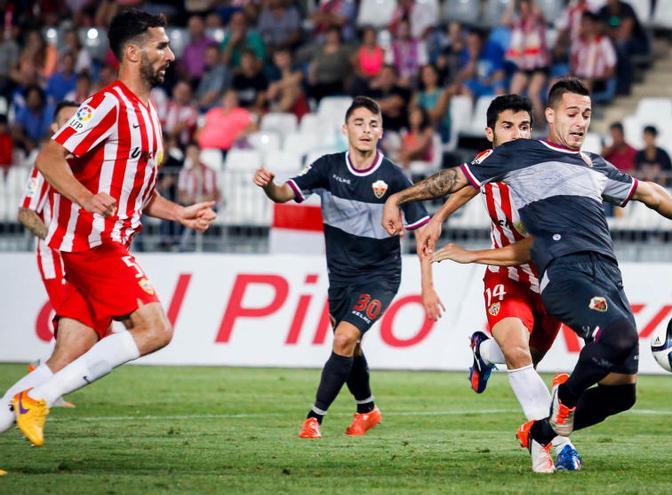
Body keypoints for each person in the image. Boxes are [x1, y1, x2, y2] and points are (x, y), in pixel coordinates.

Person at [382, 78, 672, 473]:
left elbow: (649, 193)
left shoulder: (593, 164)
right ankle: (564, 397)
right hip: (564, 269)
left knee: (621, 394)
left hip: (608, 274)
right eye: (572, 114)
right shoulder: (522, 154)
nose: (581, 122)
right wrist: (401, 198)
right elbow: (456, 179)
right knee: (616, 335)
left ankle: (542, 431)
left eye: (586, 115)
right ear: (550, 116)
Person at [10, 10, 217, 448]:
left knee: (67, 356)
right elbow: (49, 158)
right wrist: (86, 199)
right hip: (93, 242)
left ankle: (33, 396)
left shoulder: (147, 114)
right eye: (161, 46)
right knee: (156, 329)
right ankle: (39, 400)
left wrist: (181, 214)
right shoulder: (108, 104)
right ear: (132, 52)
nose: (171, 54)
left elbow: (140, 195)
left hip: (107, 240)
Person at [253, 96, 444, 439]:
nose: (366, 130)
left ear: (381, 132)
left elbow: (423, 236)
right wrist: (268, 184)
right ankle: (368, 409)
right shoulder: (328, 168)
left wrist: (427, 287)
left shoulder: (394, 179)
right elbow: (283, 194)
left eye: (373, 124)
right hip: (341, 278)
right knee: (351, 346)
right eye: (359, 123)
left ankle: (314, 419)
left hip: (381, 276)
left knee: (343, 338)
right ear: (345, 129)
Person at [410, 94, 583, 472]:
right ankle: (555, 445)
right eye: (508, 127)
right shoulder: (488, 164)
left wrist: (470, 254)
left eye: (524, 126)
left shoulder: (548, 170)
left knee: (527, 364)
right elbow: (470, 184)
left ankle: (484, 353)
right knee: (520, 355)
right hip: (505, 278)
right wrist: (439, 216)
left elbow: (534, 245)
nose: (518, 134)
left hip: (549, 281)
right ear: (490, 133)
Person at [0, 101, 79, 435]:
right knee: (76, 331)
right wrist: (53, 237)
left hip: (82, 256)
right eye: (67, 121)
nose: (75, 126)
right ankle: (38, 389)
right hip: (56, 256)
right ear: (54, 128)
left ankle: (44, 380)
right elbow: (26, 212)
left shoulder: (85, 162)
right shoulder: (47, 164)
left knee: (86, 332)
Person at [569, 12, 617, 102]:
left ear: (595, 25)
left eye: (588, 24)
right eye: (583, 23)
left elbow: (611, 68)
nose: (585, 27)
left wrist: (597, 77)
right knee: (555, 83)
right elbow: (573, 64)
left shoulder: (604, 42)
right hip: (579, 78)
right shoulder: (578, 42)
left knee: (586, 83)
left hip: (598, 81)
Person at [635, 125, 672, 192]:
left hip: (663, 189)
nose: (647, 139)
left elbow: (669, 174)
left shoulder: (663, 154)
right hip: (644, 190)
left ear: (654, 137)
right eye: (645, 136)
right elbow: (637, 173)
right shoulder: (639, 155)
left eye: (649, 136)